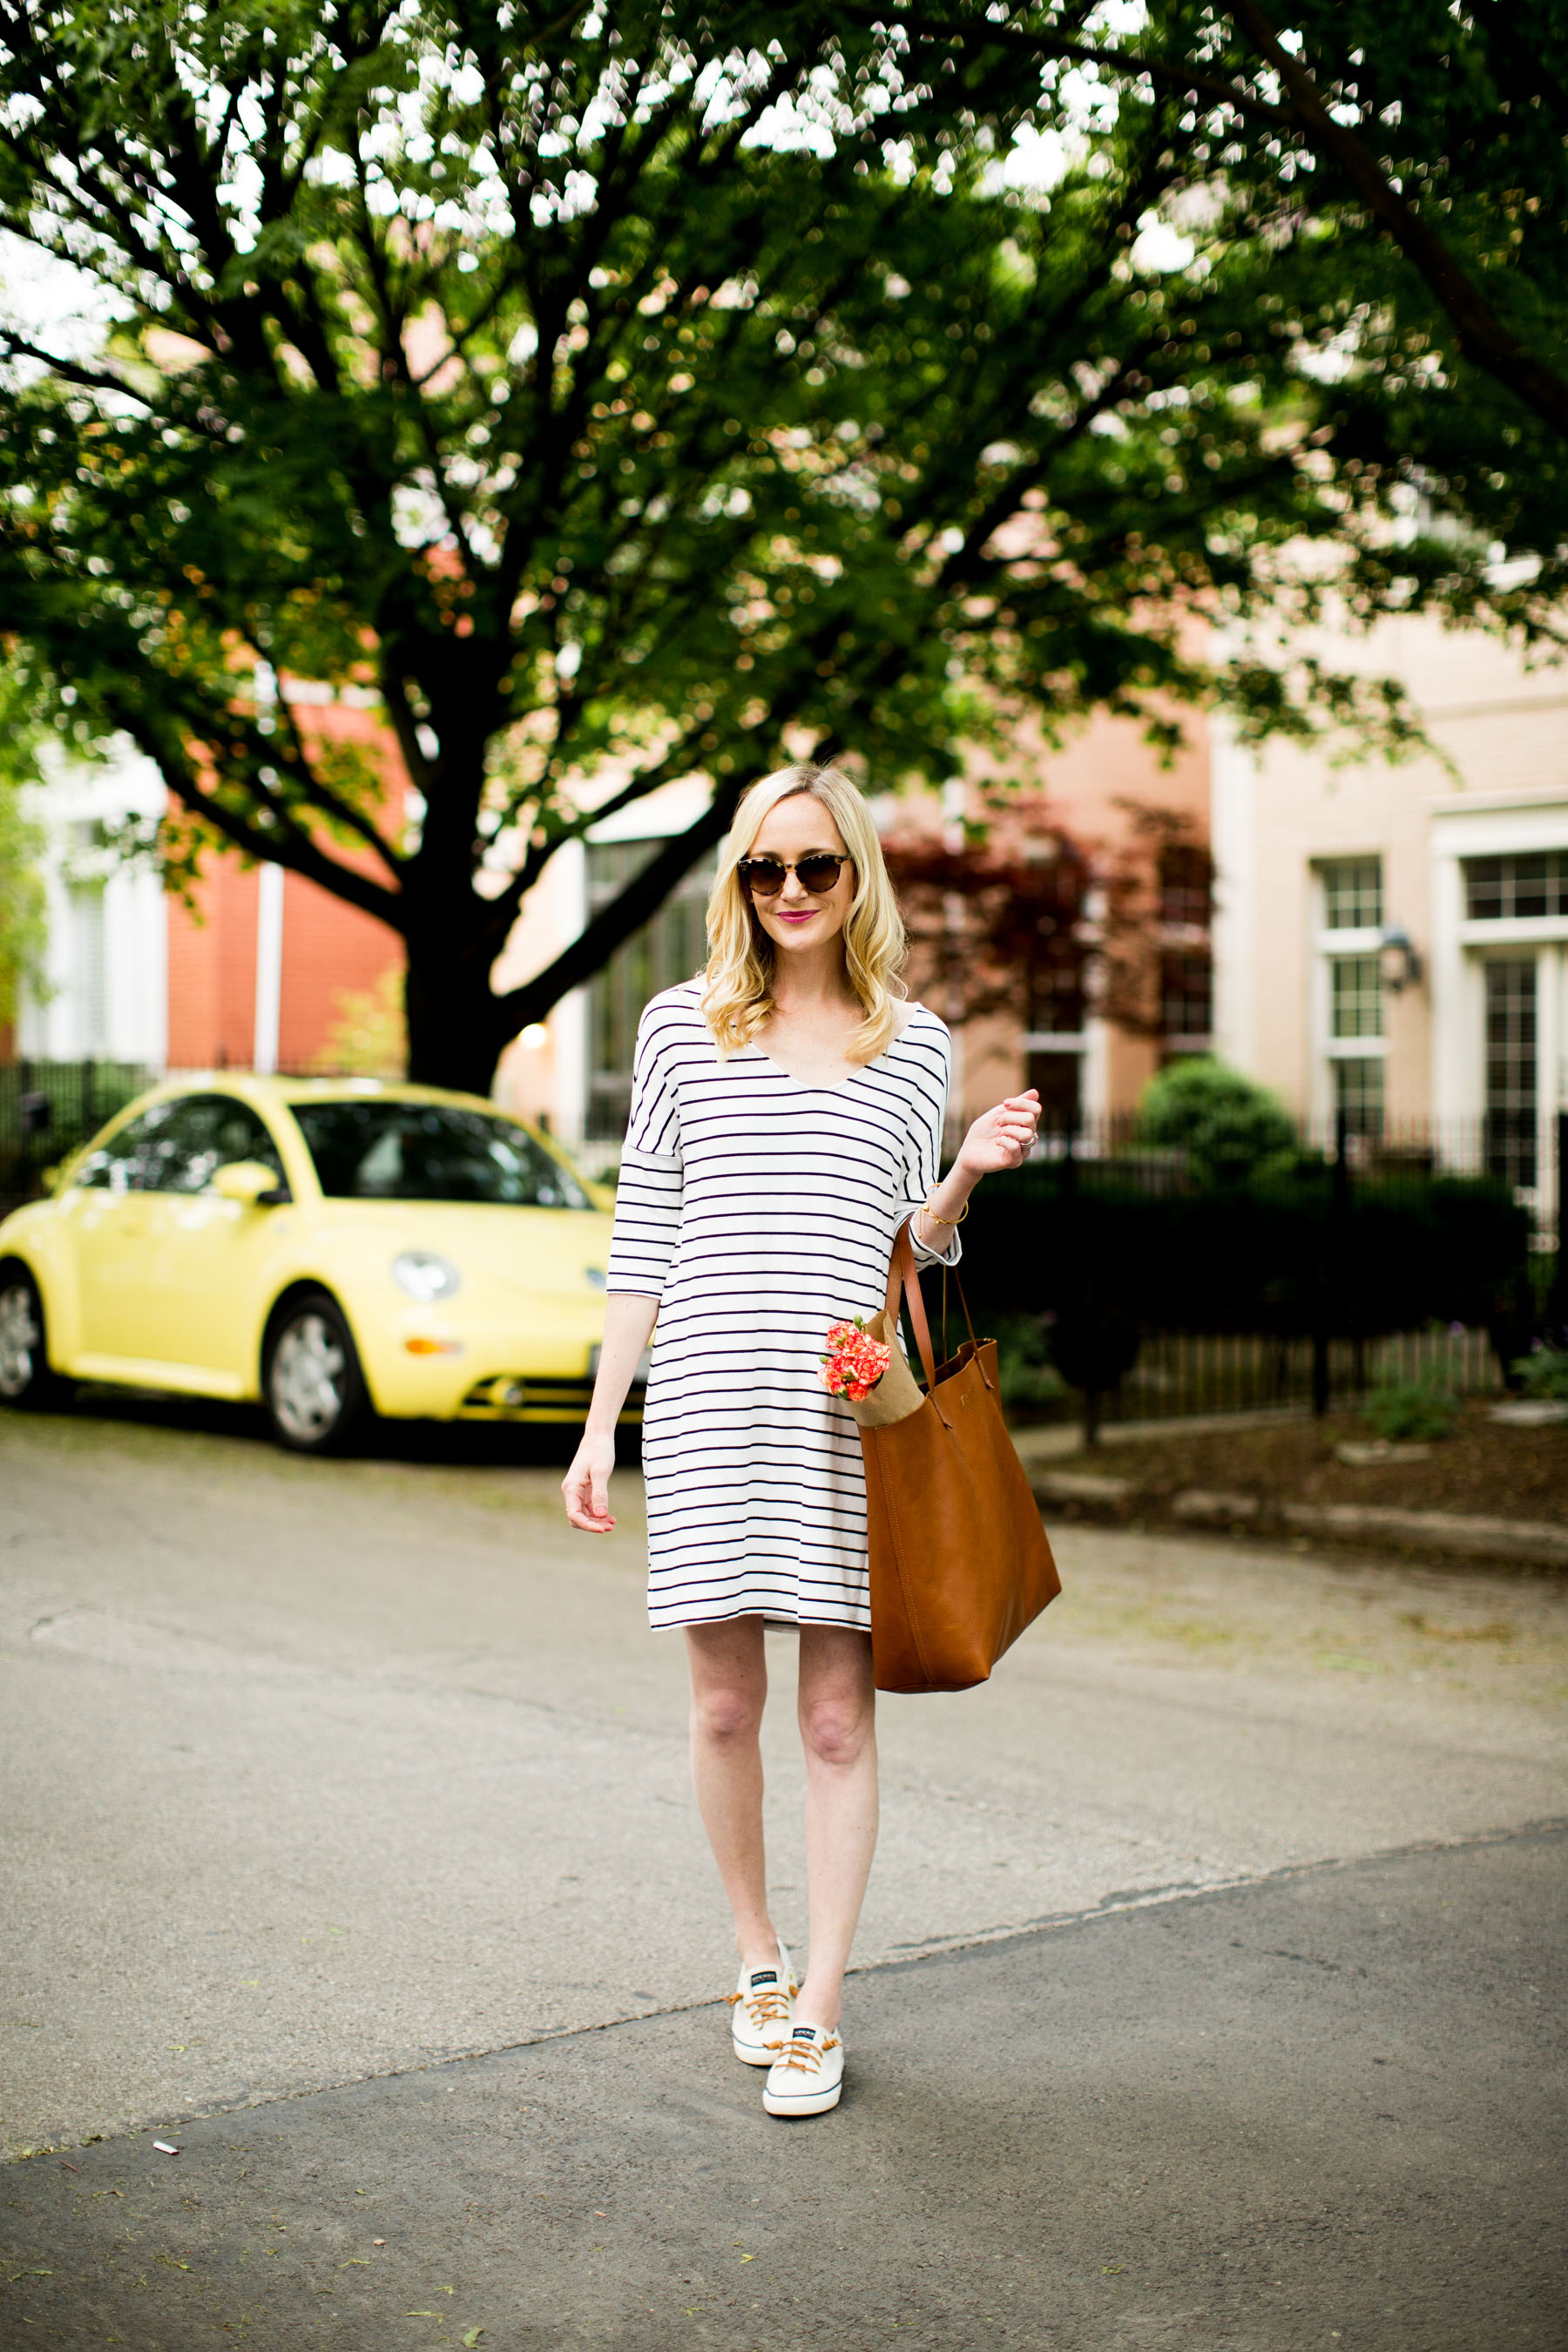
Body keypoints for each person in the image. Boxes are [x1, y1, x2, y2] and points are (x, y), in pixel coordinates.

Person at [562, 762, 1039, 2118]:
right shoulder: (677, 1028)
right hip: (710, 1408)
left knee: (836, 1720)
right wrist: (603, 1424)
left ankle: (822, 2009)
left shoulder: (918, 1041)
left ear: (856, 878)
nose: (787, 893)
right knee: (723, 1704)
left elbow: (915, 1250)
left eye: (814, 868)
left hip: (846, 1417)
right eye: (763, 871)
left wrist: (966, 1173)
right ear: (737, 882)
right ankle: (756, 1964)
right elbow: (643, 1237)